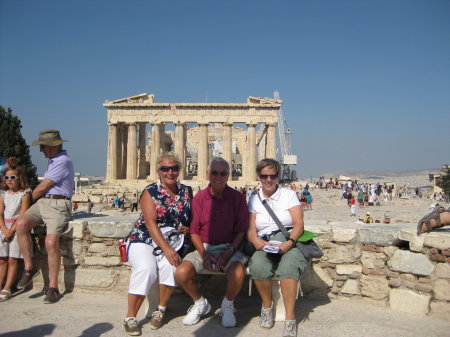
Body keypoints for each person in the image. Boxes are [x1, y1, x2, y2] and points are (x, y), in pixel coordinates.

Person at [123, 153, 192, 335]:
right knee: (147, 269)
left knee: (171, 266)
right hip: (145, 238)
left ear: (179, 170)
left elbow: (188, 218)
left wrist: (186, 228)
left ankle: (160, 309)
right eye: (165, 168)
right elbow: (150, 222)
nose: (170, 172)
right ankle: (130, 316)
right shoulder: (150, 191)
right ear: (159, 171)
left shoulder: (186, 191)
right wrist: (167, 249)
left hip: (172, 240)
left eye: (174, 168)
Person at [175, 157, 248, 328]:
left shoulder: (238, 198)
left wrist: (227, 253)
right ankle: (200, 303)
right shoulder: (199, 198)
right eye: (214, 173)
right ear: (208, 174)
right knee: (181, 273)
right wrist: (205, 254)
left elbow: (241, 232)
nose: (218, 177)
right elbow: (194, 231)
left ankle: (228, 305)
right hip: (205, 246)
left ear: (228, 175)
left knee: (237, 273)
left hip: (230, 247)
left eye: (223, 173)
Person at [247, 158, 308, 337]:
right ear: (258, 176)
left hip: (288, 239)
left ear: (278, 176)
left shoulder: (288, 195)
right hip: (264, 242)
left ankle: (290, 317)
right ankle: (267, 306)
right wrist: (256, 242)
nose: (268, 180)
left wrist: (289, 243)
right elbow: (250, 229)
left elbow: (298, 224)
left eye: (272, 176)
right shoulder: (253, 199)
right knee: (258, 265)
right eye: (264, 176)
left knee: (289, 267)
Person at [15, 129, 74, 303]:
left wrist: (25, 203)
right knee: (21, 224)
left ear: (52, 147)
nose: (41, 150)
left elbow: (42, 187)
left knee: (50, 241)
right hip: (44, 203)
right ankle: (29, 268)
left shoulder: (62, 161)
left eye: (43, 147)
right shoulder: (53, 160)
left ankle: (53, 287)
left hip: (58, 205)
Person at [0, 162, 31, 301]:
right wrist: (3, 229)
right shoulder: (3, 194)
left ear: (20, 178)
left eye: (13, 177)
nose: (10, 180)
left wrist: (11, 230)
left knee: (13, 259)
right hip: (3, 229)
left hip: (16, 229)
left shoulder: (24, 193)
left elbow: (22, 213)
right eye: (7, 177)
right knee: (2, 260)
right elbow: (0, 212)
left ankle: (7, 288)